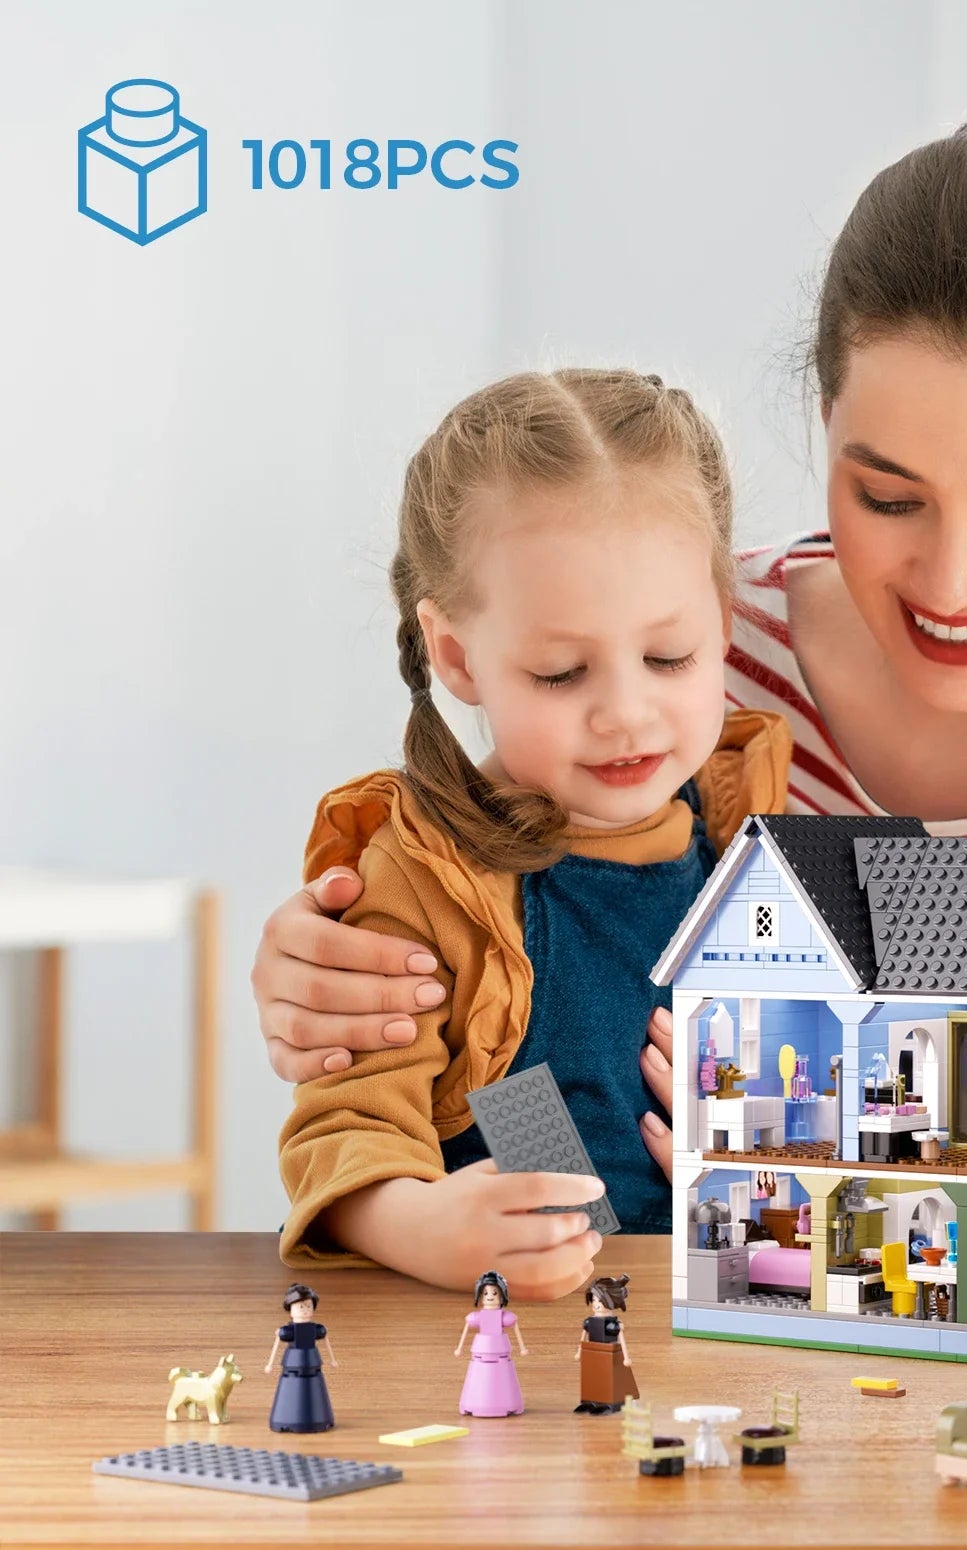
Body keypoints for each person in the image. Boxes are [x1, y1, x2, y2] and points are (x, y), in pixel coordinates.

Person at [254, 119, 967, 1154]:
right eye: (888, 496)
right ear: (827, 420)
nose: (950, 581)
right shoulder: (684, 661)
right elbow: (486, 975)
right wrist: (350, 982)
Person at [275, 369, 792, 1300]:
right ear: (458, 658)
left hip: (721, 1331)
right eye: (561, 673)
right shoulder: (431, 878)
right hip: (511, 1351)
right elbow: (344, 1131)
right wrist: (423, 1224)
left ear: (721, 624)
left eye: (668, 657)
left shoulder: (756, 842)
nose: (626, 714)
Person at [265, 1282, 337, 1433]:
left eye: (308, 1306)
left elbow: (326, 1339)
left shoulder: (316, 1329)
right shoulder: (287, 1331)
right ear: (290, 1309)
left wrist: (332, 1359)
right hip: (293, 1364)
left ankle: (319, 1418)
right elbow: (277, 1342)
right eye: (301, 1307)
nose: (305, 1310)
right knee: (290, 1389)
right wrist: (270, 1364)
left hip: (311, 1363)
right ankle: (286, 1418)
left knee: (315, 1389)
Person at [455, 1269, 528, 1418]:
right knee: (478, 1375)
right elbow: (466, 1328)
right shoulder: (475, 1317)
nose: (489, 1297)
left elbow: (515, 1326)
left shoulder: (505, 1317)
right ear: (480, 1296)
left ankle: (506, 1402)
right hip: (480, 1354)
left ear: (502, 1296)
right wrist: (459, 1348)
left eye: (494, 1293)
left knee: (503, 1377)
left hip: (500, 1354)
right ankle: (475, 1402)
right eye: (486, 1293)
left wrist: (522, 1347)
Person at [573, 1275, 636, 1415]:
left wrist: (626, 1357)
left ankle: (609, 1403)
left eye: (600, 1300)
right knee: (590, 1377)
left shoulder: (613, 1324)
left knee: (609, 1379)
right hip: (592, 1353)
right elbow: (583, 1336)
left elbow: (621, 1338)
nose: (596, 1304)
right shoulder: (589, 1321)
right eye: (594, 1299)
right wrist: (579, 1351)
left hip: (610, 1354)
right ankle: (589, 1400)